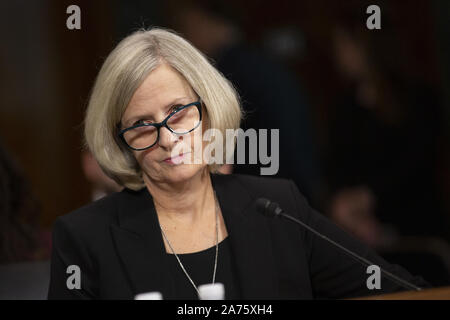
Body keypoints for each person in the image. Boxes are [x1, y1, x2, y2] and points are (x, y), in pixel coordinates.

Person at [48, 28, 428, 300]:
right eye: (141, 125)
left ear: (208, 108)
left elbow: (401, 291)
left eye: (178, 112)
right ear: (121, 140)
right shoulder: (84, 239)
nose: (166, 137)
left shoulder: (278, 208)